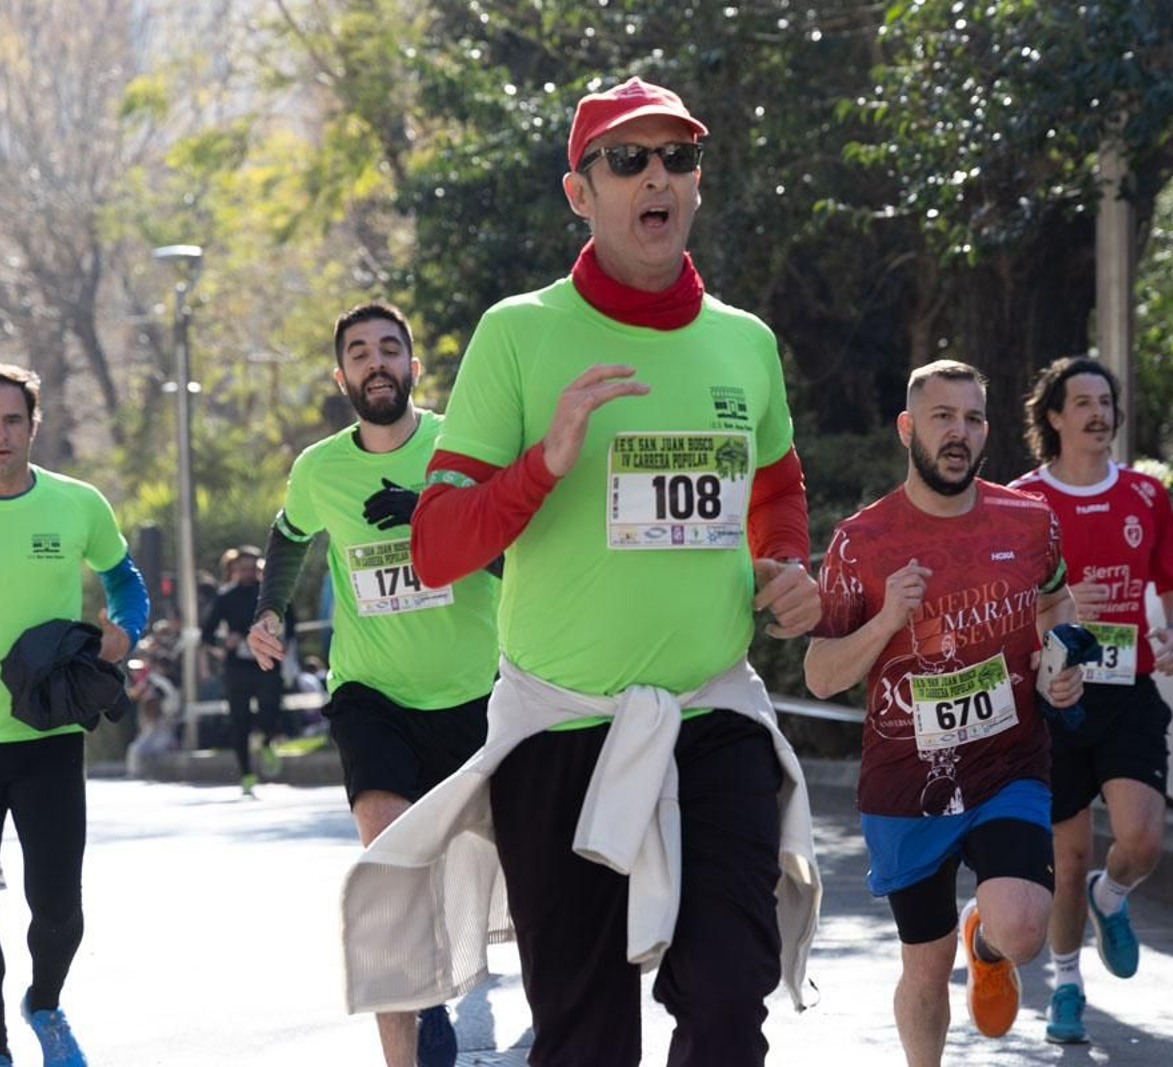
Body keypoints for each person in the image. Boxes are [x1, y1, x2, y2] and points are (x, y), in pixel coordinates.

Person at [341, 76, 824, 1067]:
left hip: (711, 715)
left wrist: (783, 566)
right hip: (558, 730)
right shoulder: (518, 333)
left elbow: (775, 485)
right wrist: (546, 460)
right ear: (580, 190)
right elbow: (436, 545)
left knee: (733, 1000)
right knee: (586, 1038)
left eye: (677, 157)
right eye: (628, 158)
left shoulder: (744, 343)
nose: (658, 176)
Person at [246, 301, 501, 1067]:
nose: (376, 360)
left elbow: (512, 553)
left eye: (390, 347)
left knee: (489, 870)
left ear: (414, 368)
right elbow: (289, 537)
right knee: (389, 872)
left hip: (476, 691)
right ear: (342, 376)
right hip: (372, 695)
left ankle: (456, 977)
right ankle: (415, 1028)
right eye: (360, 351)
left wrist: (432, 514)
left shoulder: (464, 443)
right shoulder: (319, 468)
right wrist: (268, 609)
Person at [804, 360, 1083, 1064]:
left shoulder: (1028, 520)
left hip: (1009, 763)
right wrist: (885, 619)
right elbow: (818, 675)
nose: (960, 433)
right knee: (924, 967)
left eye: (973, 418)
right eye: (943, 417)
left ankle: (988, 943)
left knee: (1023, 926)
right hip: (907, 784)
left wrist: (1060, 661)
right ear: (908, 428)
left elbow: (1056, 601)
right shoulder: (859, 542)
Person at [0, 360, 149, 1067]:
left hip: (50, 737)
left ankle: (44, 1000)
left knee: (59, 907)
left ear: (34, 425)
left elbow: (124, 579)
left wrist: (125, 628)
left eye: (14, 420)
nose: (0, 434)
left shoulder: (78, 504)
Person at [1007, 356, 1173, 1045]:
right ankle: (1066, 983)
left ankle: (1109, 898)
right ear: (1053, 417)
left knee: (1141, 838)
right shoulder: (1021, 500)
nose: (1098, 413)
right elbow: (1003, 596)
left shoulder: (1146, 494)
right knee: (1068, 850)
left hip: (1128, 693)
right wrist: (1049, 631)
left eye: (1106, 401)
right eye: (1082, 401)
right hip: (1055, 694)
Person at [201, 545, 286, 796]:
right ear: (233, 569)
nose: (247, 572)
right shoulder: (225, 597)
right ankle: (246, 773)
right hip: (237, 667)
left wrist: (281, 640)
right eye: (242, 568)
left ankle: (268, 741)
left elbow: (290, 623)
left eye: (252, 567)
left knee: (270, 708)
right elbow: (207, 634)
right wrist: (224, 642)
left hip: (268, 662)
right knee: (240, 720)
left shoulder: (270, 595)